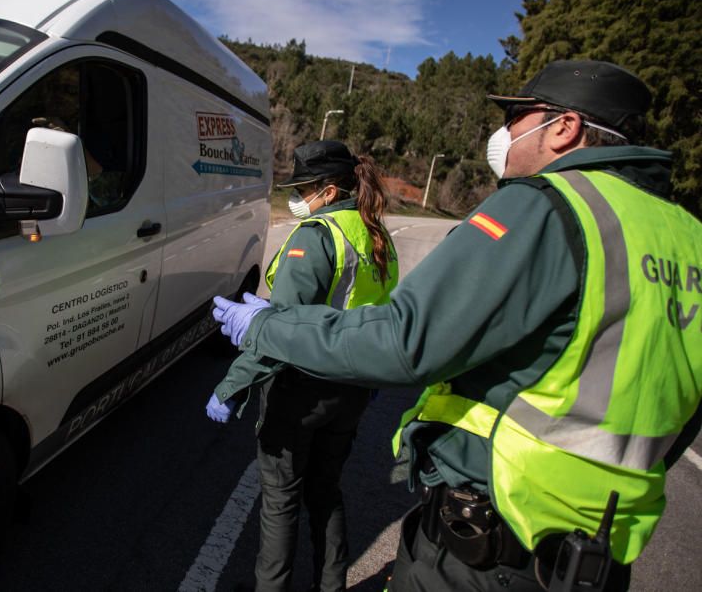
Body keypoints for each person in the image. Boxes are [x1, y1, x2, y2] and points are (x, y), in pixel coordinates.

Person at [211, 60, 702, 591]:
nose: (506, 133)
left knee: (284, 501)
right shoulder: (685, 234)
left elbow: (407, 339)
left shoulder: (548, 206)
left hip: (494, 538)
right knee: (324, 491)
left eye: (518, 116)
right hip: (601, 554)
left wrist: (261, 329)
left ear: (565, 127)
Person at [206, 140, 399, 592]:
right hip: (351, 389)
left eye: (306, 187)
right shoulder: (375, 233)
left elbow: (279, 332)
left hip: (301, 389)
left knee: (280, 502)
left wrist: (231, 386)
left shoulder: (317, 236)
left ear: (329, 192)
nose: (298, 197)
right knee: (325, 490)